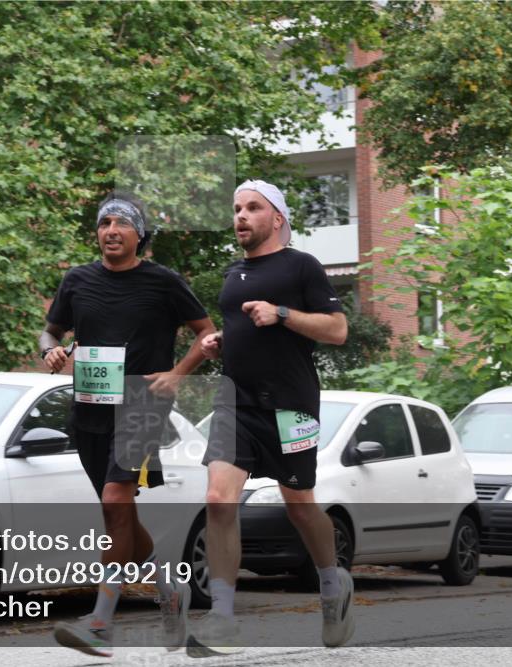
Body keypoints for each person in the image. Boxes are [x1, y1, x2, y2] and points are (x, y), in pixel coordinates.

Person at [40, 191, 215, 657]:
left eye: (121, 223)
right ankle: (171, 592)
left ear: (140, 234)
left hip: (140, 403)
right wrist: (49, 350)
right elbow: (50, 331)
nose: (110, 231)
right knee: (116, 514)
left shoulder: (163, 283)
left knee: (117, 499)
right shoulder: (77, 280)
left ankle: (99, 623)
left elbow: (208, 333)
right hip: (90, 407)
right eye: (104, 223)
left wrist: (178, 375)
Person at [187, 179, 352, 656]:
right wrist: (222, 343)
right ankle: (221, 616)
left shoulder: (302, 265)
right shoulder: (233, 272)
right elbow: (244, 331)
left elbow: (337, 330)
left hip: (292, 403)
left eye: (252, 208)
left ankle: (331, 583)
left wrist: (282, 313)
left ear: (276, 218)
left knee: (299, 504)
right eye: (237, 208)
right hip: (236, 401)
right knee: (219, 498)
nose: (240, 216)